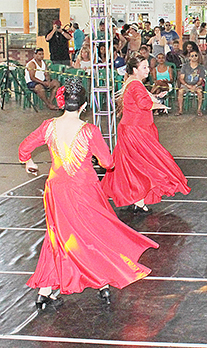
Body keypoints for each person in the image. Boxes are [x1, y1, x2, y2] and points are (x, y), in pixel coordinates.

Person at [19, 78, 159, 309]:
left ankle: (45, 291)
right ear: (84, 106)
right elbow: (108, 162)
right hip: (84, 189)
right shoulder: (89, 131)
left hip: (57, 189)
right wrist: (94, 157)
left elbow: (24, 148)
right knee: (94, 233)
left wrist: (29, 162)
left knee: (59, 236)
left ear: (63, 103)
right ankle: (101, 281)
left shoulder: (48, 126)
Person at [103, 55, 190, 213]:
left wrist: (155, 98)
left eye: (147, 67)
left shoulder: (132, 82)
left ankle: (138, 199)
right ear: (135, 70)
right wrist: (159, 105)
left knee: (135, 166)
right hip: (136, 131)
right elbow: (143, 104)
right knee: (152, 163)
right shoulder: (135, 84)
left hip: (132, 128)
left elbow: (138, 101)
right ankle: (138, 199)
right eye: (144, 67)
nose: (148, 70)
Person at [176, 50, 206, 116]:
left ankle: (199, 109)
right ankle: (180, 110)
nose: (194, 57)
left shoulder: (201, 67)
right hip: (186, 85)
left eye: (196, 55)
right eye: (192, 56)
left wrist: (195, 86)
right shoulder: (185, 66)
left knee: (200, 92)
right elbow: (181, 78)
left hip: (197, 85)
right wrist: (187, 85)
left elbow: (200, 80)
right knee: (180, 91)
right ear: (189, 57)